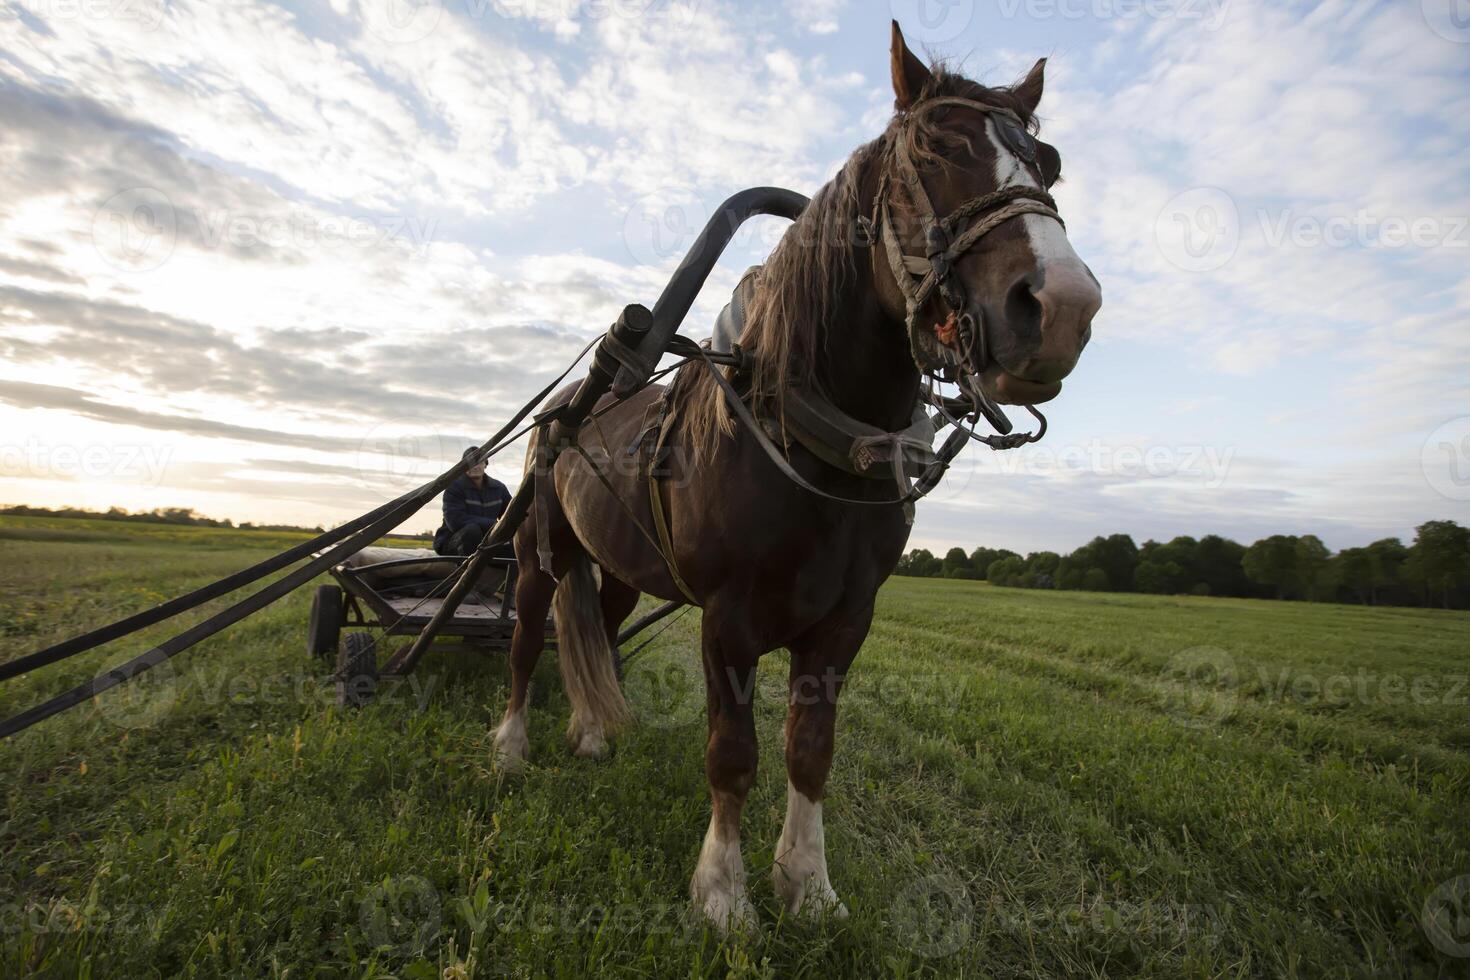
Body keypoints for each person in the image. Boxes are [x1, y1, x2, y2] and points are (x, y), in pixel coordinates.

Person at [433, 447, 513, 557]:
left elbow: (512, 514)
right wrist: (493, 524)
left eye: (479, 462)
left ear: (485, 464)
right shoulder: (454, 488)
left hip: (486, 542)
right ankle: (466, 569)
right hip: (453, 541)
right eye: (469, 463)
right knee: (472, 531)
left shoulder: (499, 488)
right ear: (462, 468)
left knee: (517, 541)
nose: (475, 466)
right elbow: (455, 522)